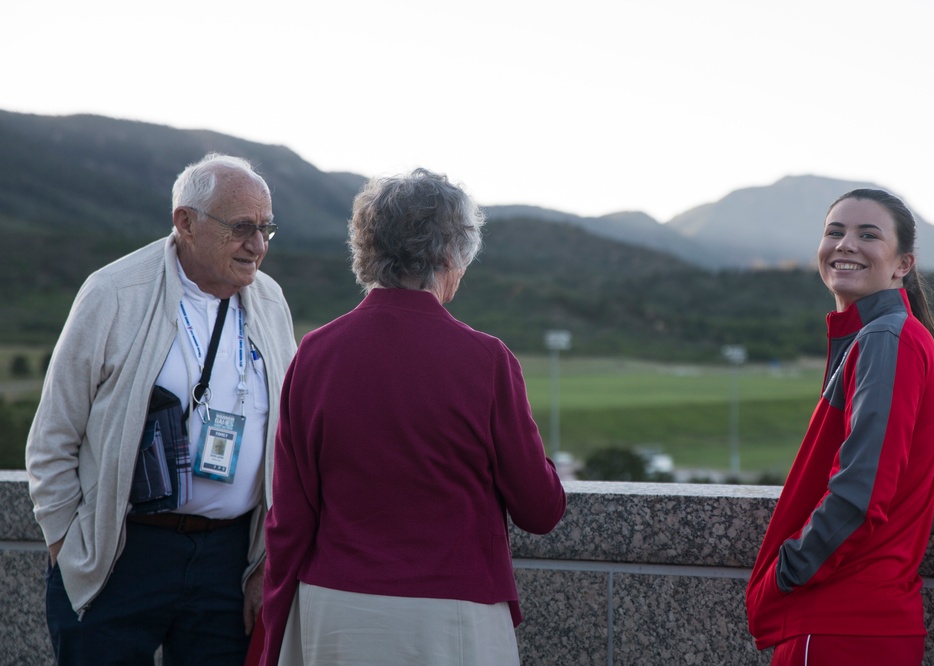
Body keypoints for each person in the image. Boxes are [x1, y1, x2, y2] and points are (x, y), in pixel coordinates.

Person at [260, 168, 566, 665]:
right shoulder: (486, 360)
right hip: (452, 616)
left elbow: (290, 516)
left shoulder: (314, 353)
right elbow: (540, 508)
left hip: (334, 611)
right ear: (450, 253)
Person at [26, 153, 298, 665]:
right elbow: (53, 437)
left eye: (266, 229)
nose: (258, 246)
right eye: (242, 227)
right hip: (122, 552)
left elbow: (286, 439)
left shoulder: (270, 300)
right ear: (186, 222)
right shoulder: (113, 292)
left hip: (228, 560)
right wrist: (69, 546)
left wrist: (264, 565)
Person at [745, 189, 934, 665]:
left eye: (868, 234)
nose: (845, 244)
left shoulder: (886, 338)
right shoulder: (898, 336)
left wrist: (787, 572)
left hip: (837, 627)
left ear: (903, 263)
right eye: (834, 231)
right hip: (875, 625)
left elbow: (859, 495)